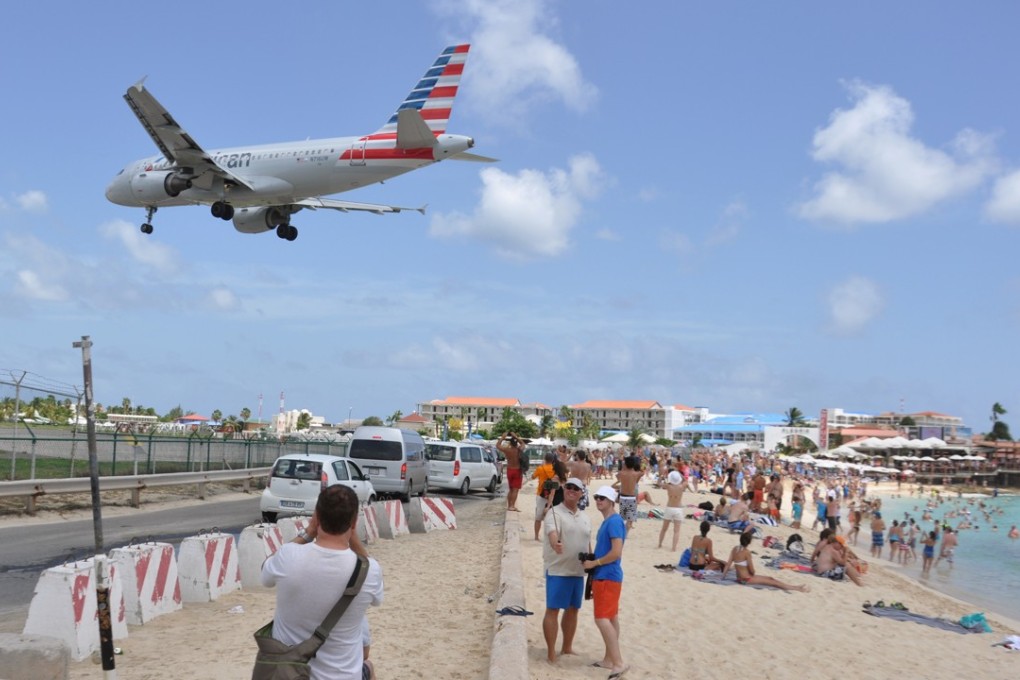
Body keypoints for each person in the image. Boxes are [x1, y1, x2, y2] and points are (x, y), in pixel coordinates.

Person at [261, 484, 383, 680]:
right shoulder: (370, 571)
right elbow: (376, 597)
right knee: (368, 666)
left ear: (316, 516)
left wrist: (308, 532)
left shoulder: (288, 556)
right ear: (353, 523)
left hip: (289, 674)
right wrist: (354, 539)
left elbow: (265, 575)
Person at [542, 477, 592, 664]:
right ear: (564, 490)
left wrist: (592, 564)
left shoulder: (585, 516)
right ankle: (550, 652)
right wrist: (556, 544)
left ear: (581, 493)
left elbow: (588, 541)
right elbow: (552, 533)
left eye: (575, 488)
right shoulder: (554, 513)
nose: (571, 490)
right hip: (557, 570)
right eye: (568, 487)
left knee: (573, 610)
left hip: (578, 572)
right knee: (553, 609)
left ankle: (567, 647)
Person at [581, 486, 628, 678]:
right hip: (605, 575)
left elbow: (617, 552)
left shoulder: (614, 522)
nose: (598, 500)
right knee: (611, 618)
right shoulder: (609, 521)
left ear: (611, 501)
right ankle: (609, 659)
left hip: (608, 575)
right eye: (596, 497)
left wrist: (595, 562)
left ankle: (618, 662)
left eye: (602, 498)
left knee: (601, 619)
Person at [722, 531, 809, 592]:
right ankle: (796, 588)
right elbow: (752, 571)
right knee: (772, 582)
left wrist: (723, 577)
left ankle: (795, 587)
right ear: (749, 542)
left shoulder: (734, 549)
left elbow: (728, 564)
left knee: (770, 579)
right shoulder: (746, 552)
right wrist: (752, 574)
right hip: (745, 579)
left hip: (741, 578)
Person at [531, 452, 557, 541]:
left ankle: (536, 536)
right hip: (552, 494)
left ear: (545, 459)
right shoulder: (555, 469)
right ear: (553, 460)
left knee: (538, 517)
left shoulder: (540, 468)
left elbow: (533, 477)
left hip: (541, 494)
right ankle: (549, 538)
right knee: (550, 518)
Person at [657, 469, 685, 551]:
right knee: (676, 531)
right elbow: (685, 480)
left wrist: (662, 475)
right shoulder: (681, 487)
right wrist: (679, 473)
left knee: (664, 528)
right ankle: (674, 548)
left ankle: (660, 544)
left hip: (669, 507)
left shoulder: (668, 486)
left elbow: (658, 483)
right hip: (678, 508)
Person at [497, 432, 525, 512]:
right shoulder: (519, 450)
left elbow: (498, 446)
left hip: (509, 470)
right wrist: (516, 437)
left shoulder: (507, 450)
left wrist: (502, 437)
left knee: (511, 489)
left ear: (510, 443)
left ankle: (509, 505)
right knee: (515, 490)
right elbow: (523, 443)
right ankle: (512, 506)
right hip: (517, 470)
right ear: (516, 443)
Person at [615, 455, 643, 531]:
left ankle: (621, 532)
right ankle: (625, 534)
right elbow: (642, 472)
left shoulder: (621, 473)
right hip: (631, 498)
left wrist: (624, 468)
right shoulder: (636, 474)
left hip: (622, 497)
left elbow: (617, 476)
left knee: (622, 517)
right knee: (630, 519)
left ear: (625, 464)